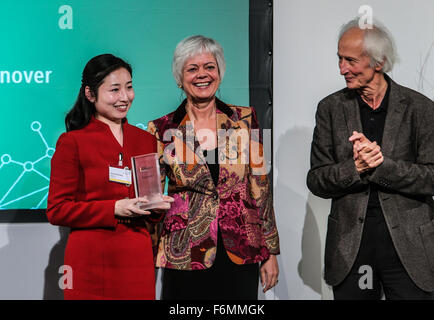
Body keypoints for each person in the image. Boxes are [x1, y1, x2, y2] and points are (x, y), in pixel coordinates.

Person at [307, 18, 434, 300]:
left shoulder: (421, 109)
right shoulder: (330, 109)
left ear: (378, 62)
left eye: (350, 60)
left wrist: (381, 166)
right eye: (339, 59)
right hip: (351, 249)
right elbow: (317, 180)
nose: (342, 69)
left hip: (410, 250)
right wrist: (355, 168)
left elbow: (432, 177)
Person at [147, 35, 280, 300]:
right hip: (184, 252)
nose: (202, 75)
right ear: (179, 77)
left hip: (240, 248)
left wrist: (270, 251)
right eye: (192, 68)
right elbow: (152, 200)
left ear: (219, 71)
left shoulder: (244, 120)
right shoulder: (161, 129)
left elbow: (260, 188)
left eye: (209, 66)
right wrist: (147, 257)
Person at [47, 54, 173, 300]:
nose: (124, 97)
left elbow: (149, 202)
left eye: (129, 88)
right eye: (114, 90)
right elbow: (57, 210)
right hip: (90, 258)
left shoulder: (145, 139)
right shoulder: (73, 142)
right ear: (90, 94)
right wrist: (114, 208)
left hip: (136, 255)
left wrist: (156, 205)